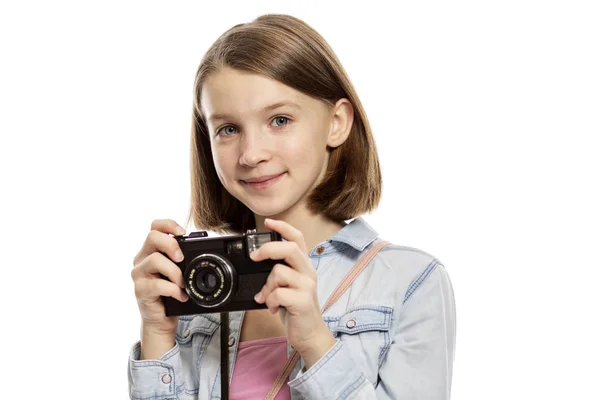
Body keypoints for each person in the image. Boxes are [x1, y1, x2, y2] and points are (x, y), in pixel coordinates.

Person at [128, 13, 456, 400]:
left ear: (337, 122)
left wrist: (316, 341)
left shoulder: (411, 282)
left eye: (279, 120)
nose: (251, 154)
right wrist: (157, 333)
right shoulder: (199, 290)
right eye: (228, 129)